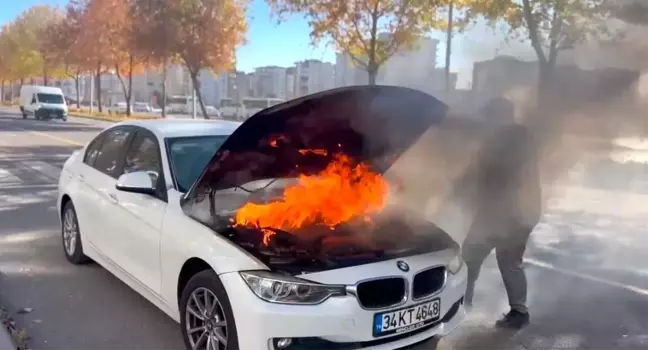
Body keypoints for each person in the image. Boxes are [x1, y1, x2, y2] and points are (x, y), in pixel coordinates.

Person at [461, 97, 542, 329]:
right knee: (474, 255)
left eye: (489, 116)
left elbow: (497, 174)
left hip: (510, 212)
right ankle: (463, 303)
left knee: (501, 258)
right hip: (506, 210)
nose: (485, 121)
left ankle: (518, 312)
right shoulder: (511, 136)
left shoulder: (513, 138)